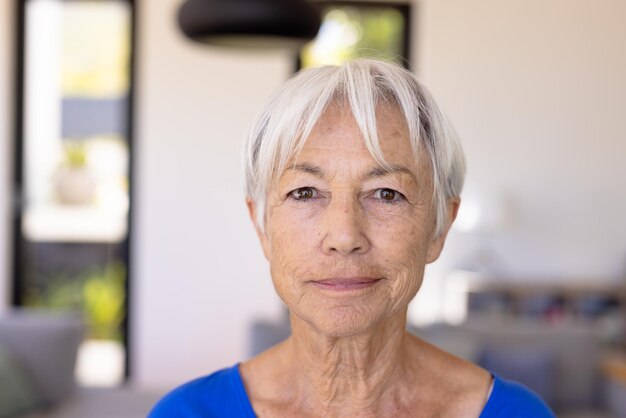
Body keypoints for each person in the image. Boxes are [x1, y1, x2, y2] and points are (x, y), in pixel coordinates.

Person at [149, 59, 555, 417]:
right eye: (305, 192)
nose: (344, 236)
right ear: (262, 227)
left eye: (386, 194)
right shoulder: (186, 413)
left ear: (440, 227)